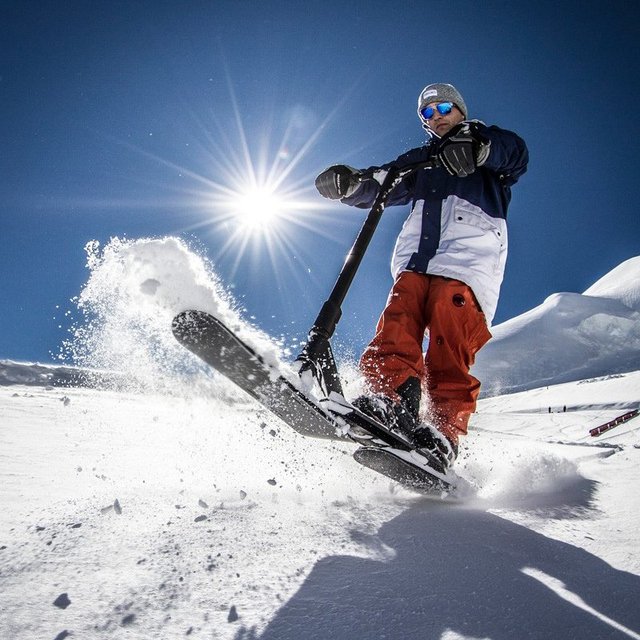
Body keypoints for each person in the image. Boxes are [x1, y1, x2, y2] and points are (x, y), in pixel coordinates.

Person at [315, 83, 528, 472]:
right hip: (416, 263)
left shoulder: (487, 149)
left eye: (443, 107)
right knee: (397, 325)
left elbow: (515, 154)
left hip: (468, 265)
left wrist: (479, 147)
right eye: (427, 113)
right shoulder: (422, 160)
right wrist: (351, 183)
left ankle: (442, 435)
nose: (437, 116)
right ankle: (390, 400)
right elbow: (383, 181)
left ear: (460, 109)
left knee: (449, 346)